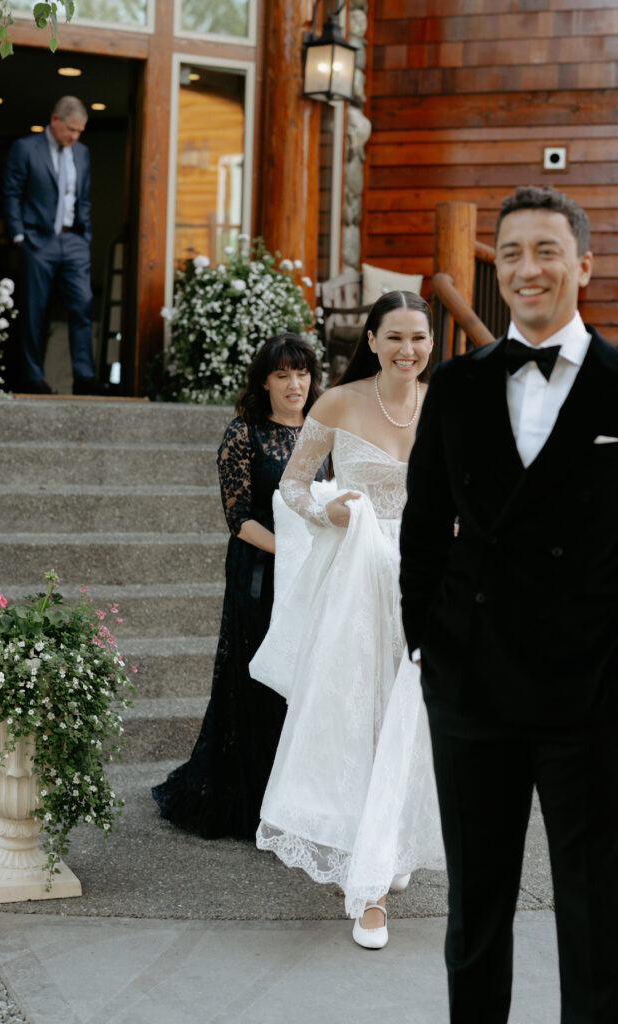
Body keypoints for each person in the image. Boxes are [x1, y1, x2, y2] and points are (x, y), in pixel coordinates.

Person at [399, 185, 618, 1022]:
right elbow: (423, 530)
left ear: (583, 265)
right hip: (471, 692)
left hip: (592, 695)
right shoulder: (459, 387)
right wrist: (427, 645)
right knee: (474, 919)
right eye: (511, 255)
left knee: (594, 916)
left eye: (545, 252)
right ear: (497, 271)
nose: (528, 270)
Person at [250, 290, 445, 950]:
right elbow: (293, 484)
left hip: (423, 579)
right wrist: (324, 513)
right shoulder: (336, 403)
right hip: (358, 582)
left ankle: (384, 847)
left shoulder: (444, 406)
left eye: (418, 338)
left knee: (409, 716)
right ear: (372, 340)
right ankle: (367, 890)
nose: (407, 350)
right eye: (394, 337)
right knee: (357, 716)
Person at [152, 334, 323, 839]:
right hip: (261, 571)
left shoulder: (324, 430)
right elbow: (238, 518)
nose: (295, 384)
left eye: (302, 373)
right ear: (264, 382)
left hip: (317, 571)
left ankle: (302, 800)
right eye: (282, 375)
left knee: (307, 681)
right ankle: (252, 801)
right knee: (257, 680)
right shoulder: (243, 433)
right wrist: (291, 551)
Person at [3, 95, 100, 395]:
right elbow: (11, 193)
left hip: (73, 241)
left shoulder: (81, 153)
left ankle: (84, 377)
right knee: (35, 310)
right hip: (38, 240)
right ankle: (33, 377)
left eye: (80, 131)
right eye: (71, 129)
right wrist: (19, 236)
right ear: (55, 120)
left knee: (82, 304)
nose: (74, 136)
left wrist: (84, 237)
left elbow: (83, 197)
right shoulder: (25, 148)